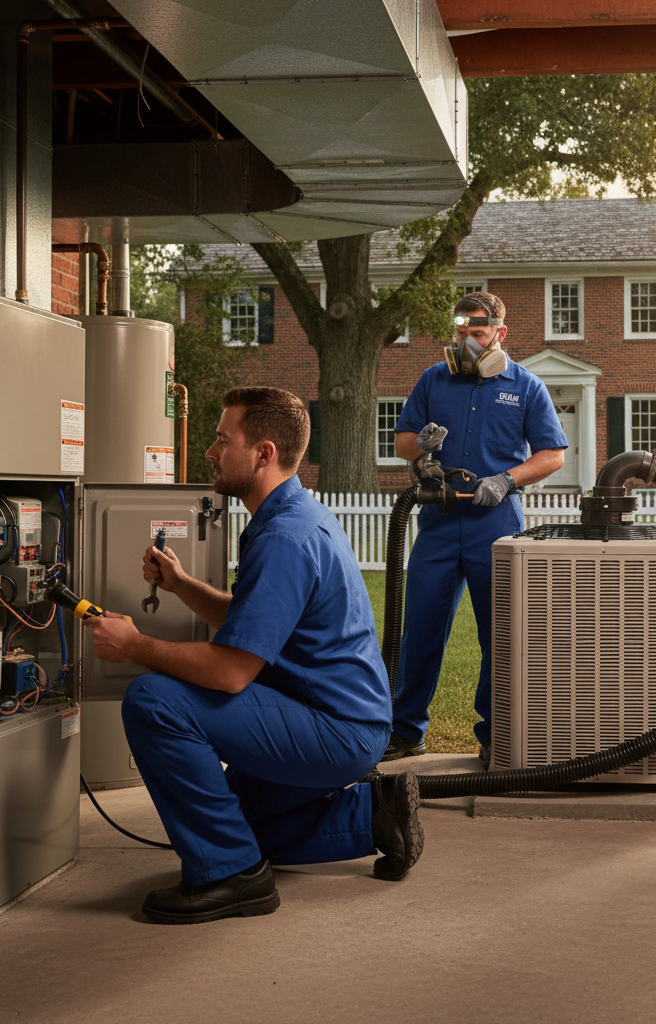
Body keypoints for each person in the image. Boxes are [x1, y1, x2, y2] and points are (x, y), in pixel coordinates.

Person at [85, 387, 423, 925]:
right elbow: (255, 623)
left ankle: (231, 877)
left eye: (223, 440)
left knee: (152, 700)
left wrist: (135, 646)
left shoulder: (284, 537)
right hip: (339, 720)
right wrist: (182, 585)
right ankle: (372, 818)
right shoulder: (290, 514)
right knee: (232, 821)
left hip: (335, 729)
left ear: (263, 453)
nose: (211, 452)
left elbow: (231, 671)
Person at [384, 292, 567, 768]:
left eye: (479, 332)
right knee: (420, 628)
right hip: (439, 521)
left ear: (500, 334)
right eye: (461, 331)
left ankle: (496, 733)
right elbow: (403, 442)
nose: (467, 341)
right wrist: (420, 447)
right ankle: (406, 731)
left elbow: (552, 455)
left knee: (499, 634)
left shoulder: (525, 386)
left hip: (496, 523)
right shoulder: (432, 380)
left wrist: (506, 480)